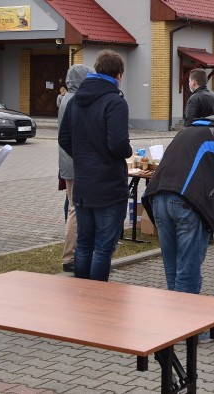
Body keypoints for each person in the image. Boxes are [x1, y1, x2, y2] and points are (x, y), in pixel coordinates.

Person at [141, 115, 214, 295]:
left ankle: (175, 318)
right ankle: (187, 320)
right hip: (187, 206)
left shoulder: (186, 132)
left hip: (157, 199)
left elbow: (193, 177)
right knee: (187, 274)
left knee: (173, 271)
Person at [58, 50, 132, 281]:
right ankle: (97, 297)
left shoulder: (75, 100)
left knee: (85, 243)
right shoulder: (115, 101)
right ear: (118, 75)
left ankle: (82, 295)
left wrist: (82, 157)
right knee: (102, 247)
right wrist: (125, 153)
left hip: (83, 183)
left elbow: (64, 138)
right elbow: (118, 143)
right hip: (108, 185)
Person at [57, 64, 92, 273]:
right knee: (75, 209)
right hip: (75, 162)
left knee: (72, 206)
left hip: (67, 161)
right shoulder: (75, 100)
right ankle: (70, 255)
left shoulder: (66, 99)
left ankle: (74, 252)